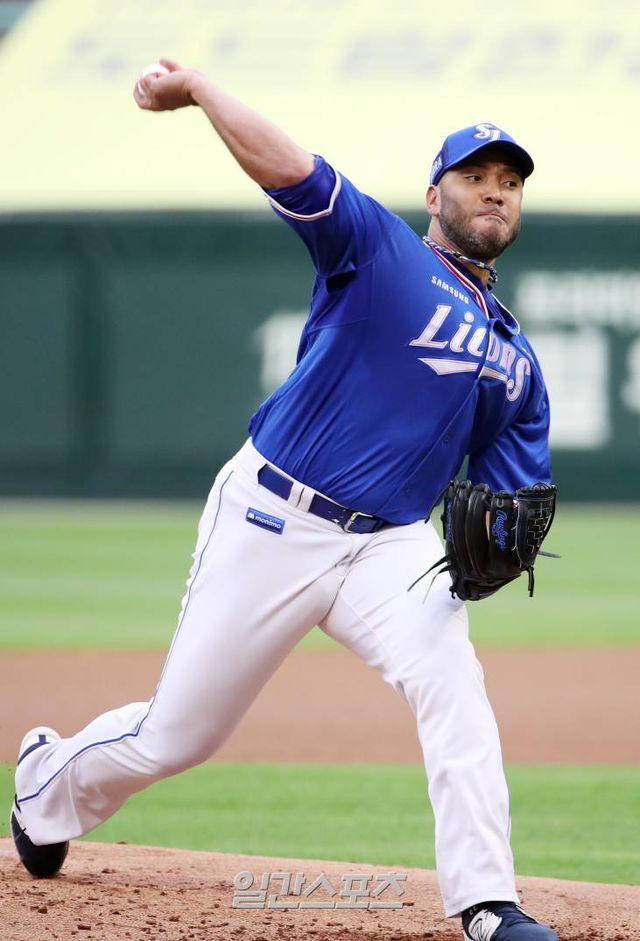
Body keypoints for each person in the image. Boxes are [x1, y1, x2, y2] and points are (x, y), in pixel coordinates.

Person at [10, 60, 559, 941]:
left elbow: (511, 491)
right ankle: (44, 783)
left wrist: (503, 534)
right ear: (435, 195)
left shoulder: (517, 363)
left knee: (454, 682)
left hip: (390, 545)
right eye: (476, 175)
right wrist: (201, 90)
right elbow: (290, 167)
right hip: (274, 515)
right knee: (177, 735)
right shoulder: (379, 250)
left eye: (510, 181)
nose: (495, 190)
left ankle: (488, 902)